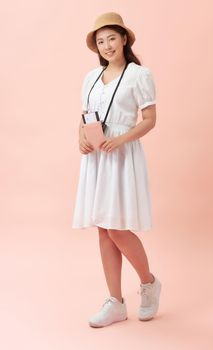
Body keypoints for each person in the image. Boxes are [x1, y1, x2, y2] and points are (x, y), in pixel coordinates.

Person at [72, 12, 162, 328]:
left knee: (117, 228)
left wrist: (122, 139)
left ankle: (149, 283)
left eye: (112, 38)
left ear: (124, 38)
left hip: (122, 155)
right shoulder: (91, 77)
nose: (107, 45)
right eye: (100, 41)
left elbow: (150, 119)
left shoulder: (139, 75)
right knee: (103, 227)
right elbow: (84, 116)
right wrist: (82, 138)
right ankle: (116, 302)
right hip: (97, 157)